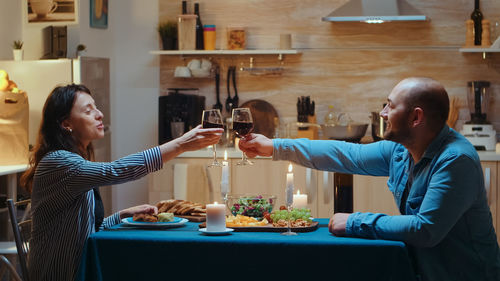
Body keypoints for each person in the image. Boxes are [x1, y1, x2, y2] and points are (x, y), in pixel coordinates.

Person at [239, 77, 500, 281]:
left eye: (390, 105)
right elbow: (347, 154)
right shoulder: (402, 149)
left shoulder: (455, 160)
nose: (383, 113)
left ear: (416, 117)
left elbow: (425, 230)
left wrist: (354, 221)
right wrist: (274, 146)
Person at [19, 84, 222, 281]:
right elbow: (116, 170)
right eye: (88, 111)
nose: (99, 114)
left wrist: (123, 215)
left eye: (96, 107)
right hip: (60, 274)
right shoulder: (59, 161)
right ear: (66, 124)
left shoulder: (74, 161)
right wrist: (180, 144)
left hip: (80, 267)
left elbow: (90, 229)